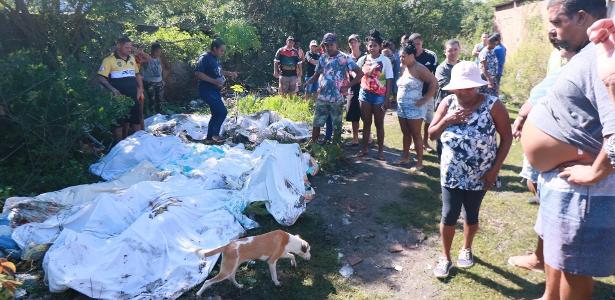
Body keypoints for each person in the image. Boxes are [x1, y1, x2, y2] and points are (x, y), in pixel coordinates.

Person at [521, 1, 615, 299]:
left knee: (574, 271)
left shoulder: (604, 56)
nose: (552, 29)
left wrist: (595, 171)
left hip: (582, 192)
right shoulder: (587, 54)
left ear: (582, 17)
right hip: (562, 182)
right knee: (558, 254)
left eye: (557, 22)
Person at [428, 61, 512, 278]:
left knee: (471, 213)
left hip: (482, 173)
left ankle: (466, 248)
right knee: (449, 214)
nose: (464, 91)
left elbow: (507, 137)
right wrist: (447, 120)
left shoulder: (493, 104)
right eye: (460, 87)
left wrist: (494, 170)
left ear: (477, 86)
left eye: (469, 87)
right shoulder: (447, 103)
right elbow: (431, 134)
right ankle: (445, 257)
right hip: (452, 172)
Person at [304, 33, 363, 144]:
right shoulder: (323, 58)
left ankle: (335, 148)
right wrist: (308, 82)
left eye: (331, 45)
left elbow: (360, 74)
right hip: (322, 97)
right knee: (317, 123)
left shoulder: (344, 58)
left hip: (337, 98)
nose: (329, 47)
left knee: (337, 126)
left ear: (336, 44)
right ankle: (313, 145)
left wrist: (347, 86)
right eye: (326, 45)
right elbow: (317, 75)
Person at [395, 42, 438, 171]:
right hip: (402, 107)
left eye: (404, 56)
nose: (401, 59)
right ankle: (405, 157)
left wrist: (425, 98)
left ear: (412, 55)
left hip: (415, 108)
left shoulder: (419, 68)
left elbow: (433, 82)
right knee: (405, 133)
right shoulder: (403, 67)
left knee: (416, 134)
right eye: (400, 56)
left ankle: (419, 162)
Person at [97, 36, 145, 142]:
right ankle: (118, 146)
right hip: (119, 99)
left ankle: (141, 145)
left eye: (130, 47)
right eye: (127, 47)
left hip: (133, 96)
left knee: (136, 120)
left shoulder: (132, 58)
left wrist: (140, 88)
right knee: (118, 123)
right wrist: (113, 90)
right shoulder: (108, 60)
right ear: (119, 46)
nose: (129, 49)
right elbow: (100, 77)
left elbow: (137, 74)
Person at [356, 30, 394, 160]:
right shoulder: (363, 60)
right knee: (366, 123)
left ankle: (381, 151)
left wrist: (387, 98)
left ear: (380, 46)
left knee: (379, 124)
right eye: (370, 46)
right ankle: (364, 149)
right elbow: (355, 74)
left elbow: (389, 80)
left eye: (375, 45)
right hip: (365, 95)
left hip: (379, 96)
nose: (372, 48)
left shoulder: (385, 61)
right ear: (367, 47)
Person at [194, 38, 238, 143]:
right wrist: (214, 81)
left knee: (216, 113)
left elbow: (218, 71)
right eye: (221, 50)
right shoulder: (205, 58)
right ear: (214, 48)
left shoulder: (215, 59)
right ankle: (214, 136)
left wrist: (229, 73)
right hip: (206, 90)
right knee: (222, 112)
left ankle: (210, 138)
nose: (223, 53)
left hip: (214, 90)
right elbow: (197, 73)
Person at [409, 33, 438, 153]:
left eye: (418, 44)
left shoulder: (431, 56)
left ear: (422, 43)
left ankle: (425, 142)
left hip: (427, 93)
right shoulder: (409, 55)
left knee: (428, 119)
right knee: (413, 119)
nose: (416, 46)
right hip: (413, 94)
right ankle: (413, 142)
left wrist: (433, 91)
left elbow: (436, 75)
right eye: (414, 44)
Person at [434, 39, 461, 158]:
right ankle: (442, 161)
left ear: (459, 50)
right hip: (444, 107)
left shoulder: (462, 66)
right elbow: (445, 86)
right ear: (445, 52)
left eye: (455, 49)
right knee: (442, 135)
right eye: (450, 50)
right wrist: (465, 88)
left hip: (460, 106)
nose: (453, 52)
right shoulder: (441, 68)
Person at [346, 34, 363, 146]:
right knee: (353, 113)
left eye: (355, 41)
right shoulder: (347, 58)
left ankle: (368, 136)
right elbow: (347, 73)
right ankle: (355, 138)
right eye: (351, 42)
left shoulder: (366, 56)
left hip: (366, 87)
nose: (353, 44)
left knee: (366, 114)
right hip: (352, 87)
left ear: (359, 43)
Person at [140, 43, 165, 114]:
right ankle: (152, 114)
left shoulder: (159, 58)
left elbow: (161, 69)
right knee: (152, 99)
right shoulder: (146, 58)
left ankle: (161, 113)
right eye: (157, 52)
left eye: (160, 52)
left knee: (160, 99)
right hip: (149, 83)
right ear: (152, 51)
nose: (159, 53)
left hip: (159, 82)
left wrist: (163, 80)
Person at [382, 40, 401, 108]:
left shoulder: (392, 53)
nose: (393, 46)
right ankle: (389, 103)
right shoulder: (387, 51)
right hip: (389, 74)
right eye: (391, 45)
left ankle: (390, 102)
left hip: (390, 74)